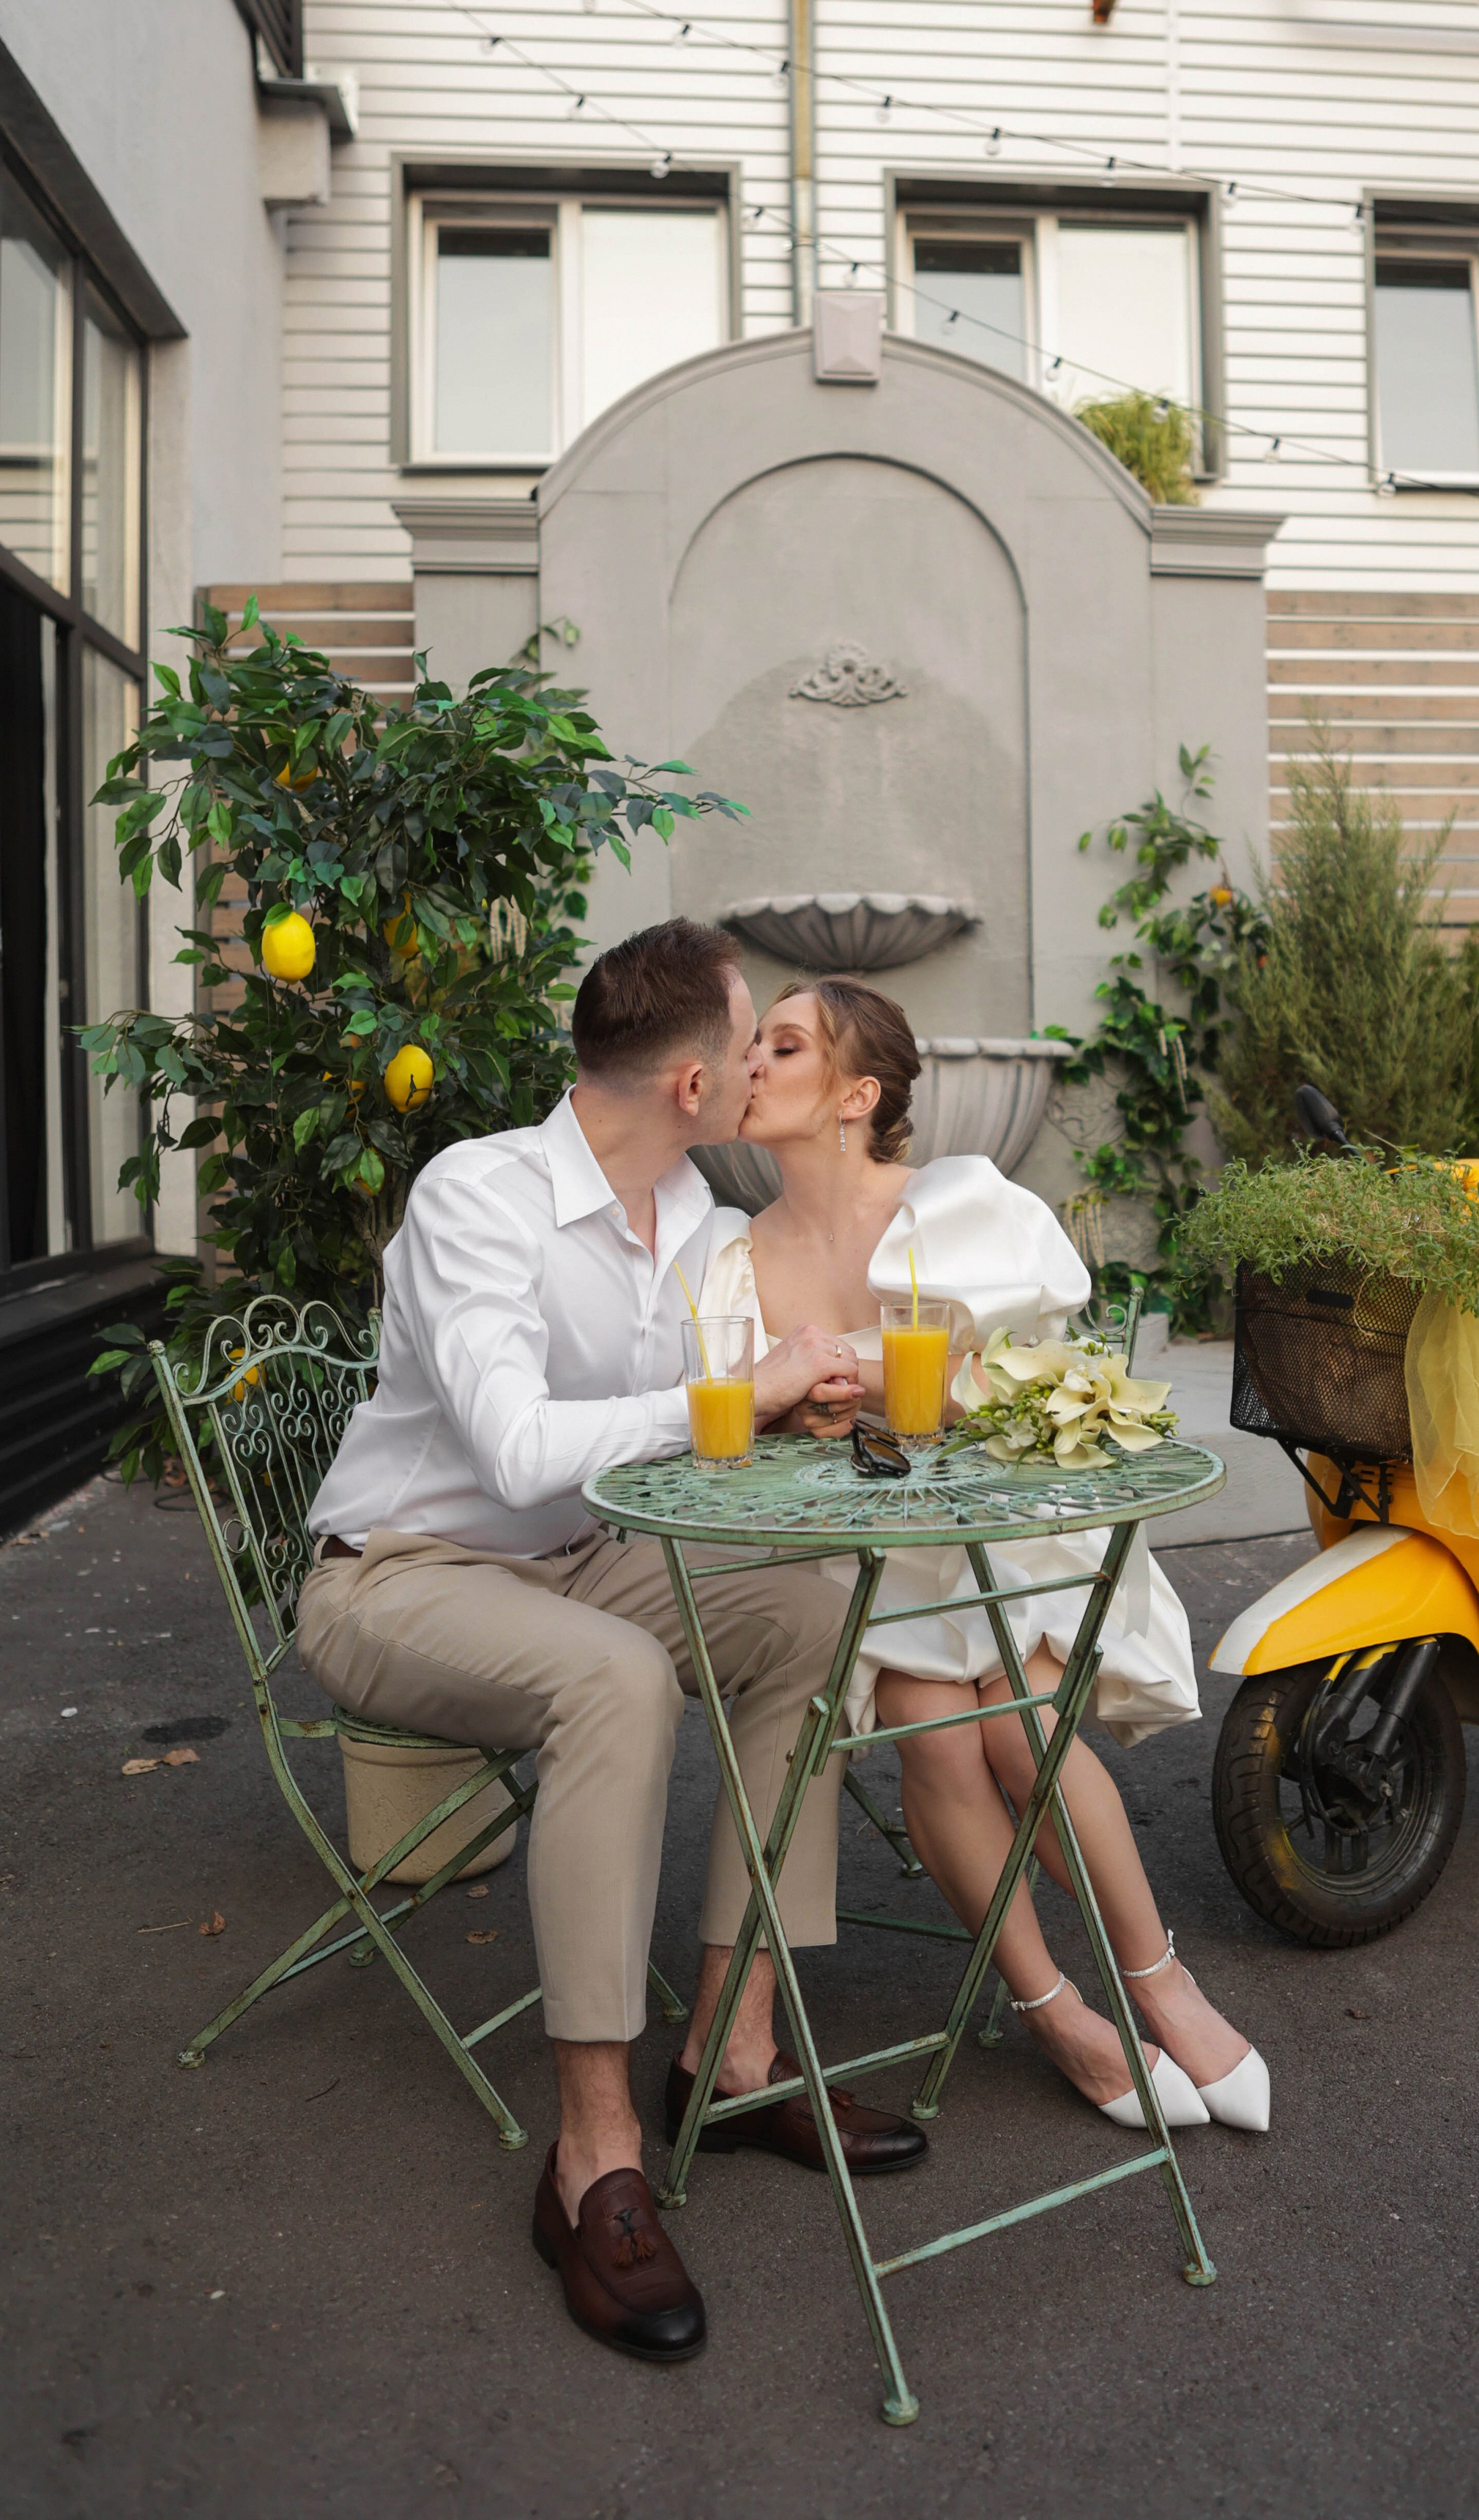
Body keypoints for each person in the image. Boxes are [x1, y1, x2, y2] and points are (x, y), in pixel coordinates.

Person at [297, 920, 926, 2370]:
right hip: (399, 1575)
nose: (768, 1055)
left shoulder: (701, 1221)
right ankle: (593, 2155)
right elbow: (516, 1450)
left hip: (577, 1564)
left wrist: (803, 1396)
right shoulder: (481, 1195)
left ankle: (737, 2047)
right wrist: (743, 1388)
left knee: (812, 1612)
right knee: (618, 1680)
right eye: (752, 1037)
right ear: (694, 1085)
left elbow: (694, 1443)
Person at [701, 973, 1270, 2138]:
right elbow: (734, 1436)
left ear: (858, 1093)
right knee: (943, 1736)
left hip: (995, 1528)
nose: (753, 1062)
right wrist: (791, 1415)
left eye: (786, 1045)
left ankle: (1161, 1980)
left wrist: (924, 1402)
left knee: (1019, 1715)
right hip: (857, 1551)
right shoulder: (730, 1260)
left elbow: (1033, 1391)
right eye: (754, 1043)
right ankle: (1056, 2011)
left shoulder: (960, 1208)